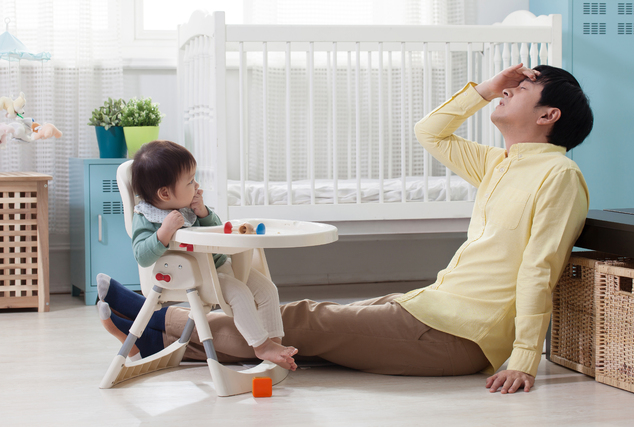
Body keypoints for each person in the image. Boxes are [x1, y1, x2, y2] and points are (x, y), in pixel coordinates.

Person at [99, 64, 592, 394]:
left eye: (521, 89)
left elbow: (538, 269)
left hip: (460, 334)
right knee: (314, 329)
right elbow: (430, 130)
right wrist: (485, 89)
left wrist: (525, 356)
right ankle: (163, 341)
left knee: (306, 321)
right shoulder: (498, 164)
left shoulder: (557, 176)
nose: (506, 90)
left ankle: (154, 322)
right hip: (431, 306)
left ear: (549, 115)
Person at [97, 140, 298, 371]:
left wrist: (203, 212)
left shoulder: (187, 206)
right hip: (194, 277)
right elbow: (142, 256)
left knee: (267, 289)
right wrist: (164, 232)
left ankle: (275, 345)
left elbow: (217, 229)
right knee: (240, 294)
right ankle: (261, 346)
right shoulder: (146, 217)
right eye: (190, 181)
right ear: (164, 193)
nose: (197, 185)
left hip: (221, 265)